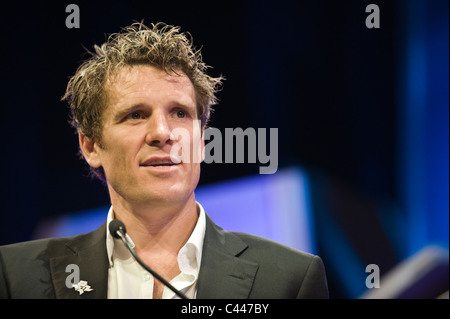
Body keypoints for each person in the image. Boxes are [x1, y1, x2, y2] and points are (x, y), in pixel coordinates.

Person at [0, 22, 328, 299]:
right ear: (91, 146)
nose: (162, 132)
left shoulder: (287, 280)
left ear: (201, 142)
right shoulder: (18, 276)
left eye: (180, 113)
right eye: (136, 115)